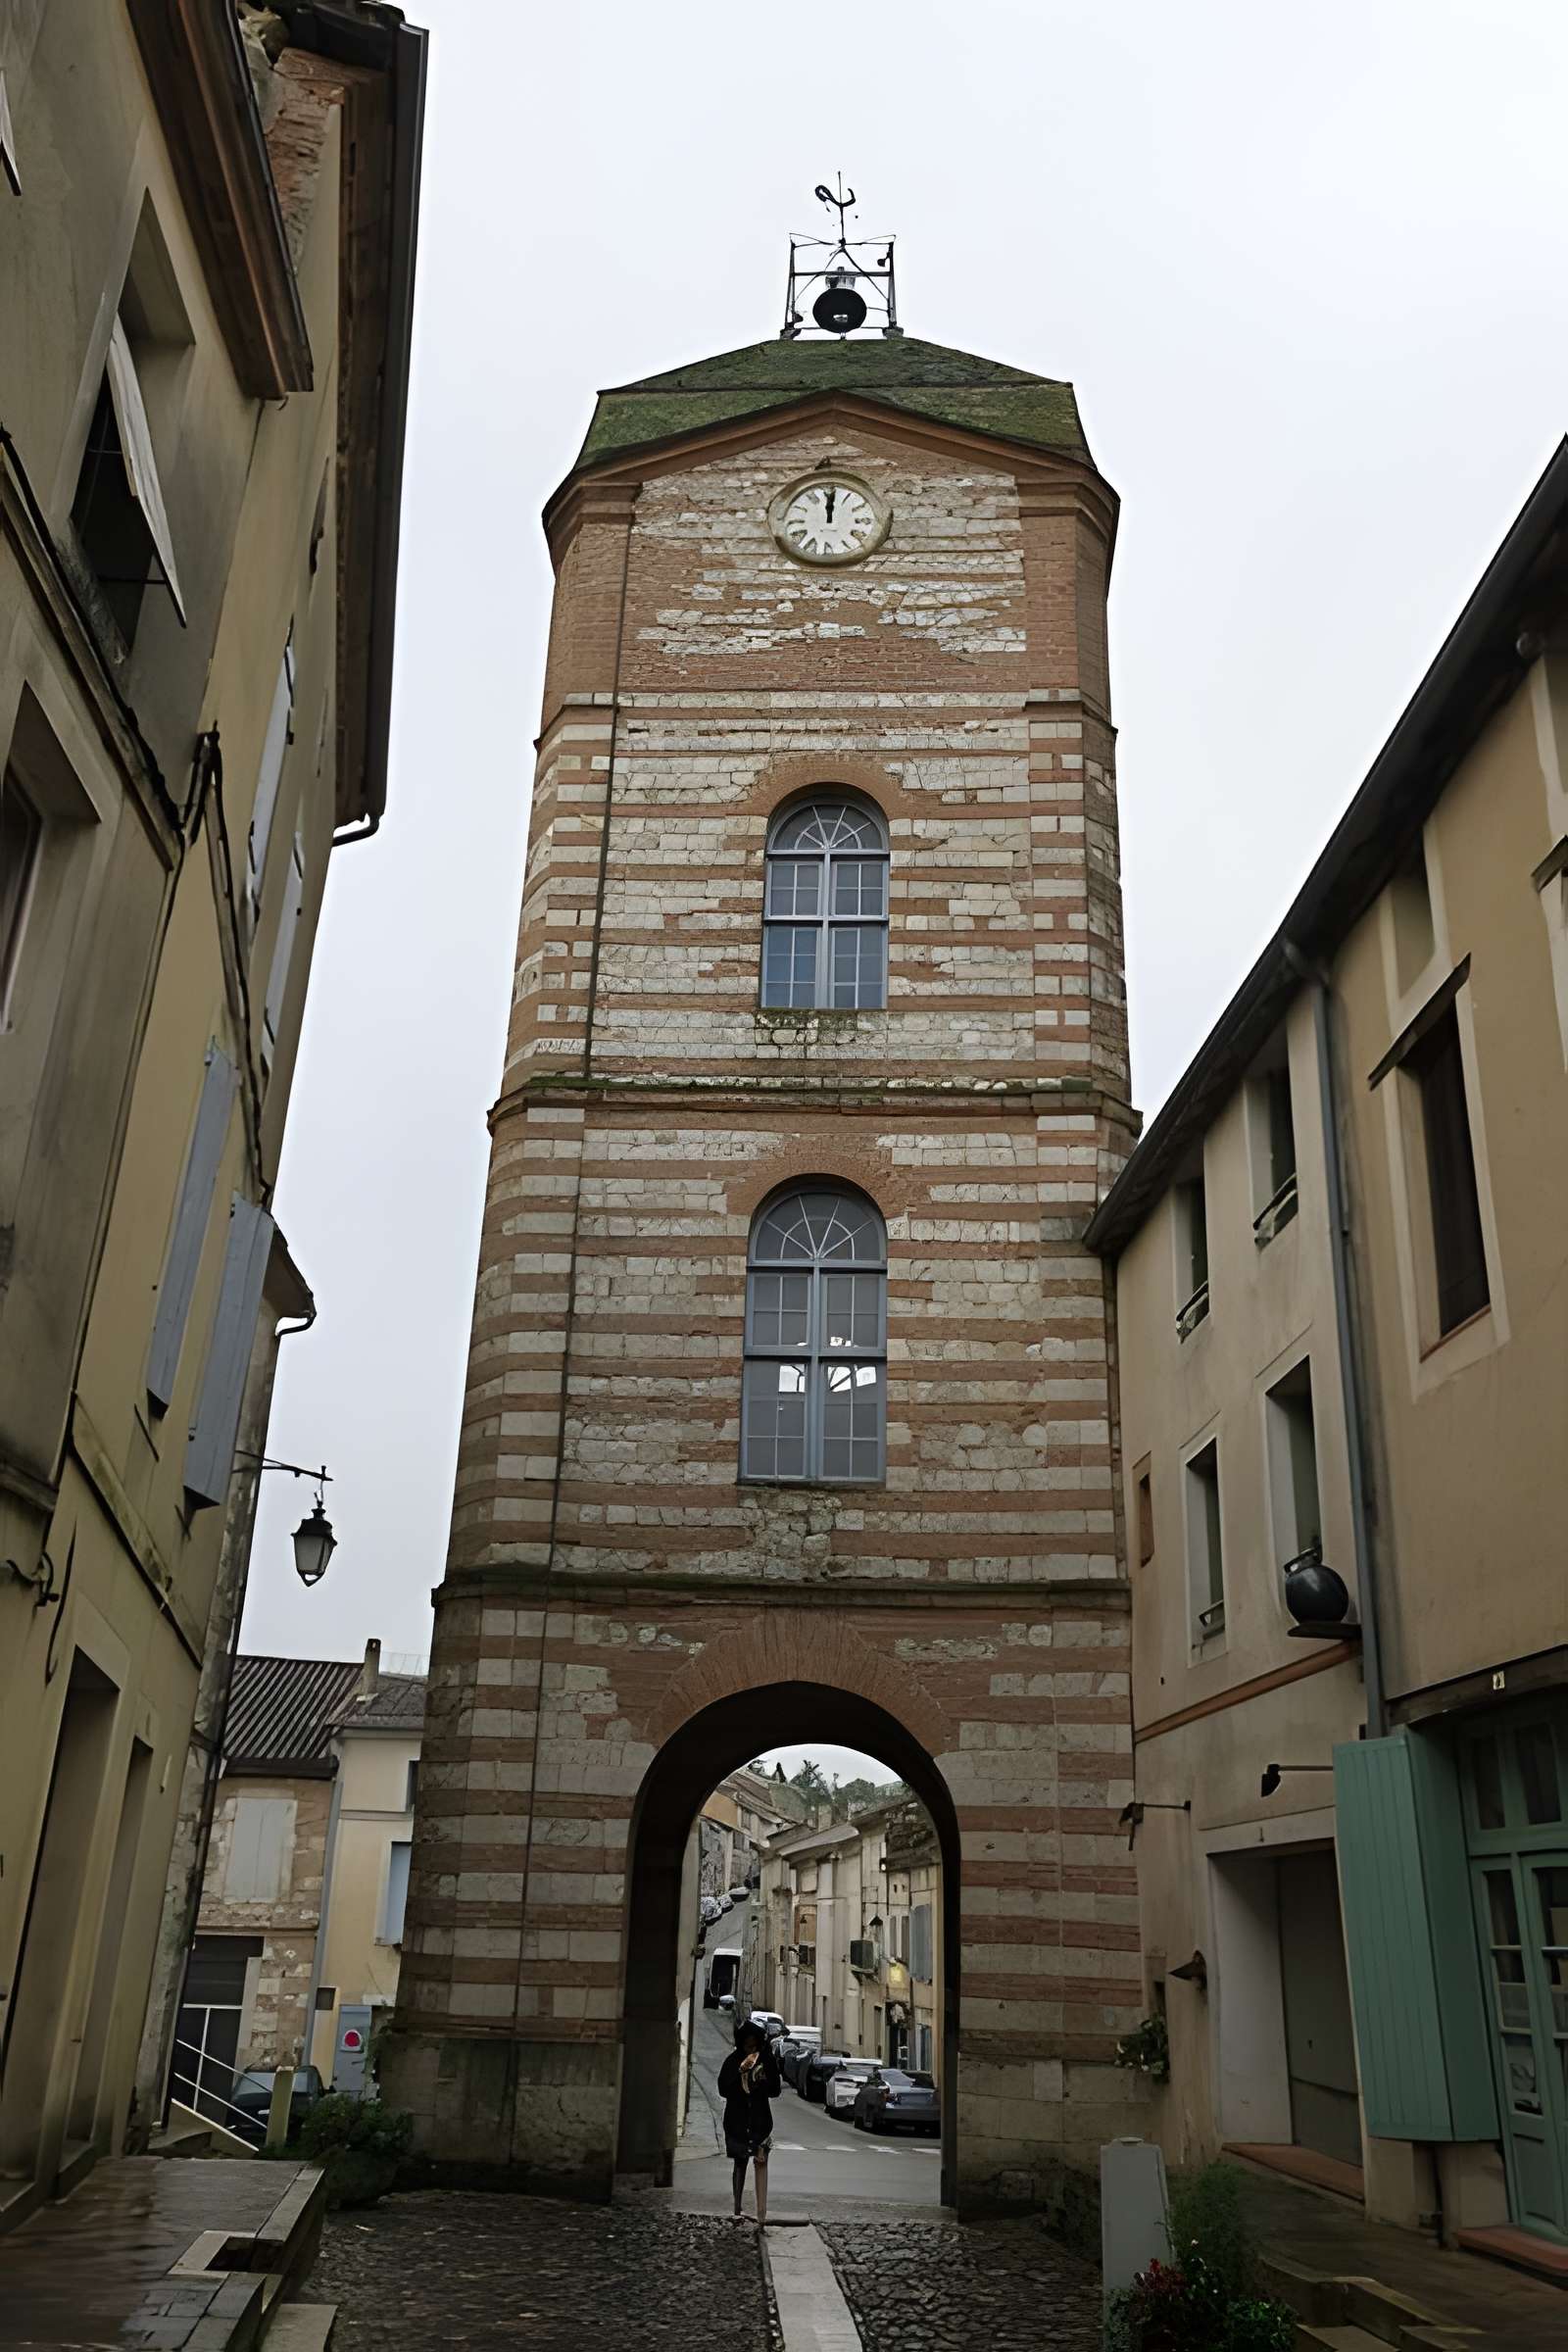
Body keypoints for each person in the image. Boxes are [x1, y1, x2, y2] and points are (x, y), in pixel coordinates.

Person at [717, 2017, 780, 2225]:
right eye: (747, 2045)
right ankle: (737, 2207)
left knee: (761, 2163)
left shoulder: (767, 2061)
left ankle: (761, 2212)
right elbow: (723, 2089)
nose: (750, 2049)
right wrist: (740, 2075)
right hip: (737, 2120)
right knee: (740, 2162)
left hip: (760, 2122)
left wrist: (762, 2081)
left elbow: (775, 2090)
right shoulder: (733, 2060)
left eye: (754, 2045)